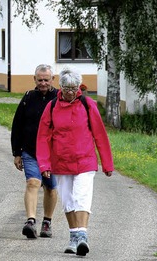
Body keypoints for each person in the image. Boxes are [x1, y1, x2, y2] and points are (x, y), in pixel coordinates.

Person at [36, 67, 115, 256]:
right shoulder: (52, 106)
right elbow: (43, 137)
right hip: (61, 161)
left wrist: (107, 163)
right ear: (60, 87)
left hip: (84, 160)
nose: (70, 92)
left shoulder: (87, 105)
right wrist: (44, 164)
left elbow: (100, 135)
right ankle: (73, 237)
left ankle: (82, 236)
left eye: (74, 88)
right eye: (66, 88)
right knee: (67, 200)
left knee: (81, 197)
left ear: (79, 87)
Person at [10, 64, 59, 239]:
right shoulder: (28, 98)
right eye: (40, 80)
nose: (43, 83)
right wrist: (17, 152)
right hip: (30, 151)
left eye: (47, 80)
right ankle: (30, 221)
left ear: (53, 80)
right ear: (34, 80)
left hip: (53, 153)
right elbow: (17, 125)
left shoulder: (59, 98)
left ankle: (47, 221)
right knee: (32, 183)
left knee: (51, 187)